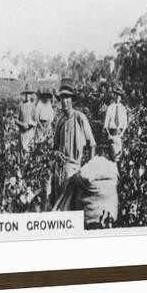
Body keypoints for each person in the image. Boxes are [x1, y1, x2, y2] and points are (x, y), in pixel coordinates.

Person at [48, 78, 96, 209]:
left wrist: (89, 169)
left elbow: (92, 144)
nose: (64, 101)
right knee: (58, 207)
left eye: (67, 97)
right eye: (62, 98)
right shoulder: (60, 122)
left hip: (74, 169)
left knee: (70, 208)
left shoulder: (80, 118)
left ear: (72, 99)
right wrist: (57, 153)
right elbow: (54, 148)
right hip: (59, 171)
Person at [103, 84, 128, 161]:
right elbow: (106, 125)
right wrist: (109, 135)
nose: (117, 97)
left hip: (120, 135)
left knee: (119, 158)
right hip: (112, 136)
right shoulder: (110, 107)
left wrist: (121, 134)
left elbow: (125, 125)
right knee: (113, 159)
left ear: (121, 98)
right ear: (114, 96)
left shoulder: (123, 108)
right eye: (116, 95)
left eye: (119, 96)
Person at [15, 83, 36, 163]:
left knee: (29, 157)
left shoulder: (33, 106)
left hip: (30, 135)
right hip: (22, 135)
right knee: (20, 157)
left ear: (31, 95)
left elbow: (36, 122)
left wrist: (31, 124)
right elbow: (15, 119)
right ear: (24, 94)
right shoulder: (20, 105)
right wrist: (22, 124)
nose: (27, 96)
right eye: (26, 94)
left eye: (29, 94)